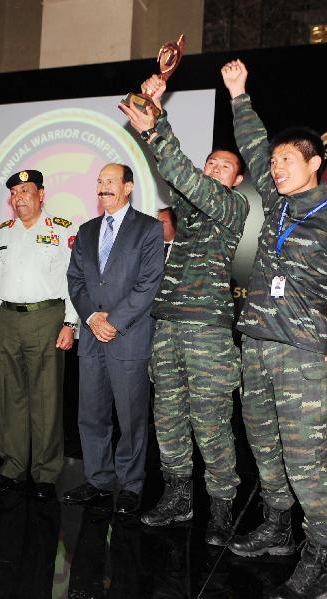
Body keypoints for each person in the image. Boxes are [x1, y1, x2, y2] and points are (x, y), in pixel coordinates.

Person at [222, 59, 327, 598]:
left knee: (310, 460)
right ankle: (278, 528)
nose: (277, 168)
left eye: (288, 160)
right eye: (276, 161)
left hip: (303, 360)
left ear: (314, 164)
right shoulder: (280, 205)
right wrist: (239, 94)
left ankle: (323, 557)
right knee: (266, 451)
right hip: (257, 351)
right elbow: (252, 142)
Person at [119, 77, 249, 545]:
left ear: (236, 180)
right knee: (168, 416)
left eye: (224, 166)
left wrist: (156, 129)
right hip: (167, 324)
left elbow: (188, 177)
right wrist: (157, 108)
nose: (214, 168)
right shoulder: (192, 210)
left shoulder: (231, 207)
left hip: (208, 332)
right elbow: (180, 176)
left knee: (211, 421)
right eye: (210, 161)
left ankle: (220, 507)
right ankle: (178, 496)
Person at [64, 163, 164, 513]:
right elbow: (75, 279)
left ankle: (132, 484)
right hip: (92, 337)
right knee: (91, 415)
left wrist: (114, 321)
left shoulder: (149, 229)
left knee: (131, 418)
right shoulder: (87, 230)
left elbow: (149, 284)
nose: (103, 187)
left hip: (129, 338)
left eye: (110, 181)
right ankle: (98, 479)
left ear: (128, 187)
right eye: (99, 182)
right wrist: (92, 317)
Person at [0, 169, 78, 499]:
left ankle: (46, 473)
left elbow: (73, 281)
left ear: (41, 195)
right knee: (11, 397)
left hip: (47, 318)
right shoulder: (2, 234)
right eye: (14, 192)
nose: (19, 197)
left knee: (47, 396)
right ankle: (12, 467)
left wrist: (71, 322)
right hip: (8, 319)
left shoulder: (62, 230)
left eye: (26, 190)